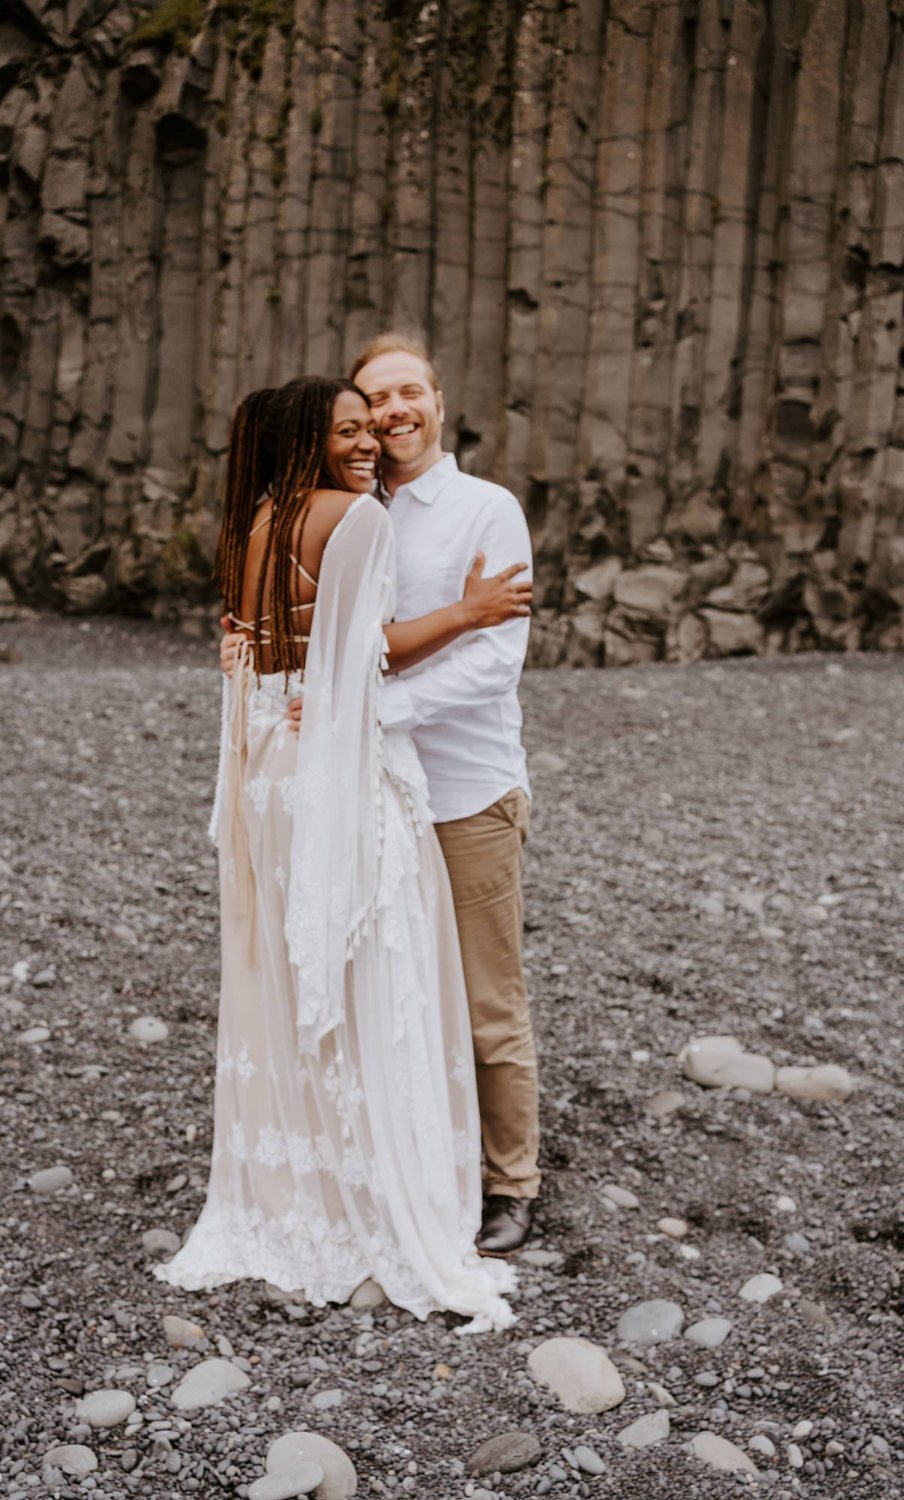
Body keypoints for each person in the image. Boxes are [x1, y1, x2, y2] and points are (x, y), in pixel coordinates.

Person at [156, 376, 529, 1329]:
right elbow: (364, 659)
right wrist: (471, 611)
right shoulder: (355, 517)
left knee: (293, 974)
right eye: (349, 429)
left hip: (274, 768)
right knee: (373, 969)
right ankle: (373, 1194)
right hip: (337, 765)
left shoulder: (258, 521)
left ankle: (298, 1189)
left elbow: (261, 650)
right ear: (308, 438)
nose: (367, 442)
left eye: (374, 427)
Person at [350, 335, 540, 1258]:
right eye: (376, 398)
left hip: (465, 792)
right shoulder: (355, 512)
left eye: (407, 392)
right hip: (374, 795)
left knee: (483, 999)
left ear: (437, 398)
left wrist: (368, 711)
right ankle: (431, 1161)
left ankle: (511, 1185)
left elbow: (494, 662)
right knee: (398, 990)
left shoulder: (484, 509)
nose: (394, 411)